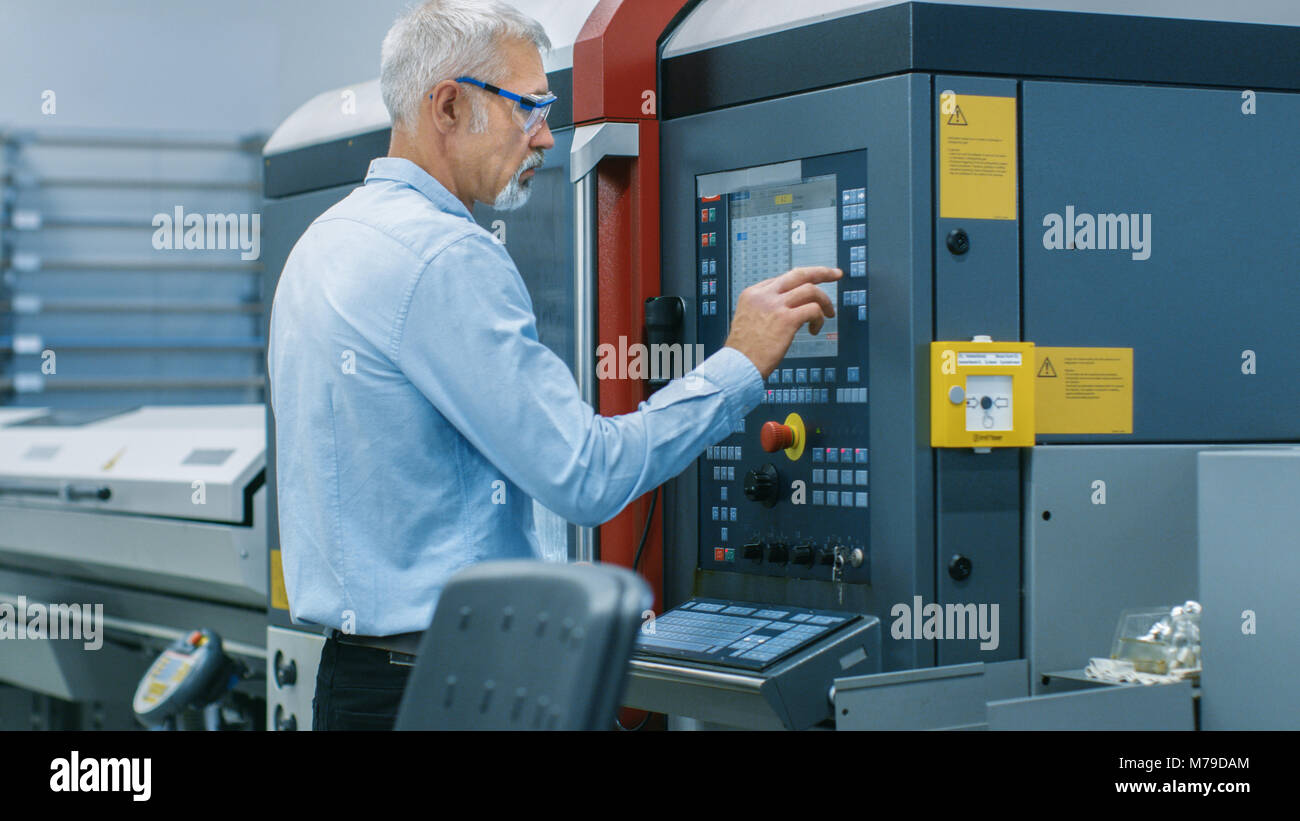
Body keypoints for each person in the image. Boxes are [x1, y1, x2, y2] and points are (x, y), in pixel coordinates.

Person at [267, 0, 841, 730]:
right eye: (528, 107)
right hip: (453, 690)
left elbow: (422, 481)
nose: (544, 134)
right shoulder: (447, 256)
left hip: (355, 687)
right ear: (448, 105)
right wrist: (739, 364)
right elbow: (586, 474)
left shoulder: (322, 244)